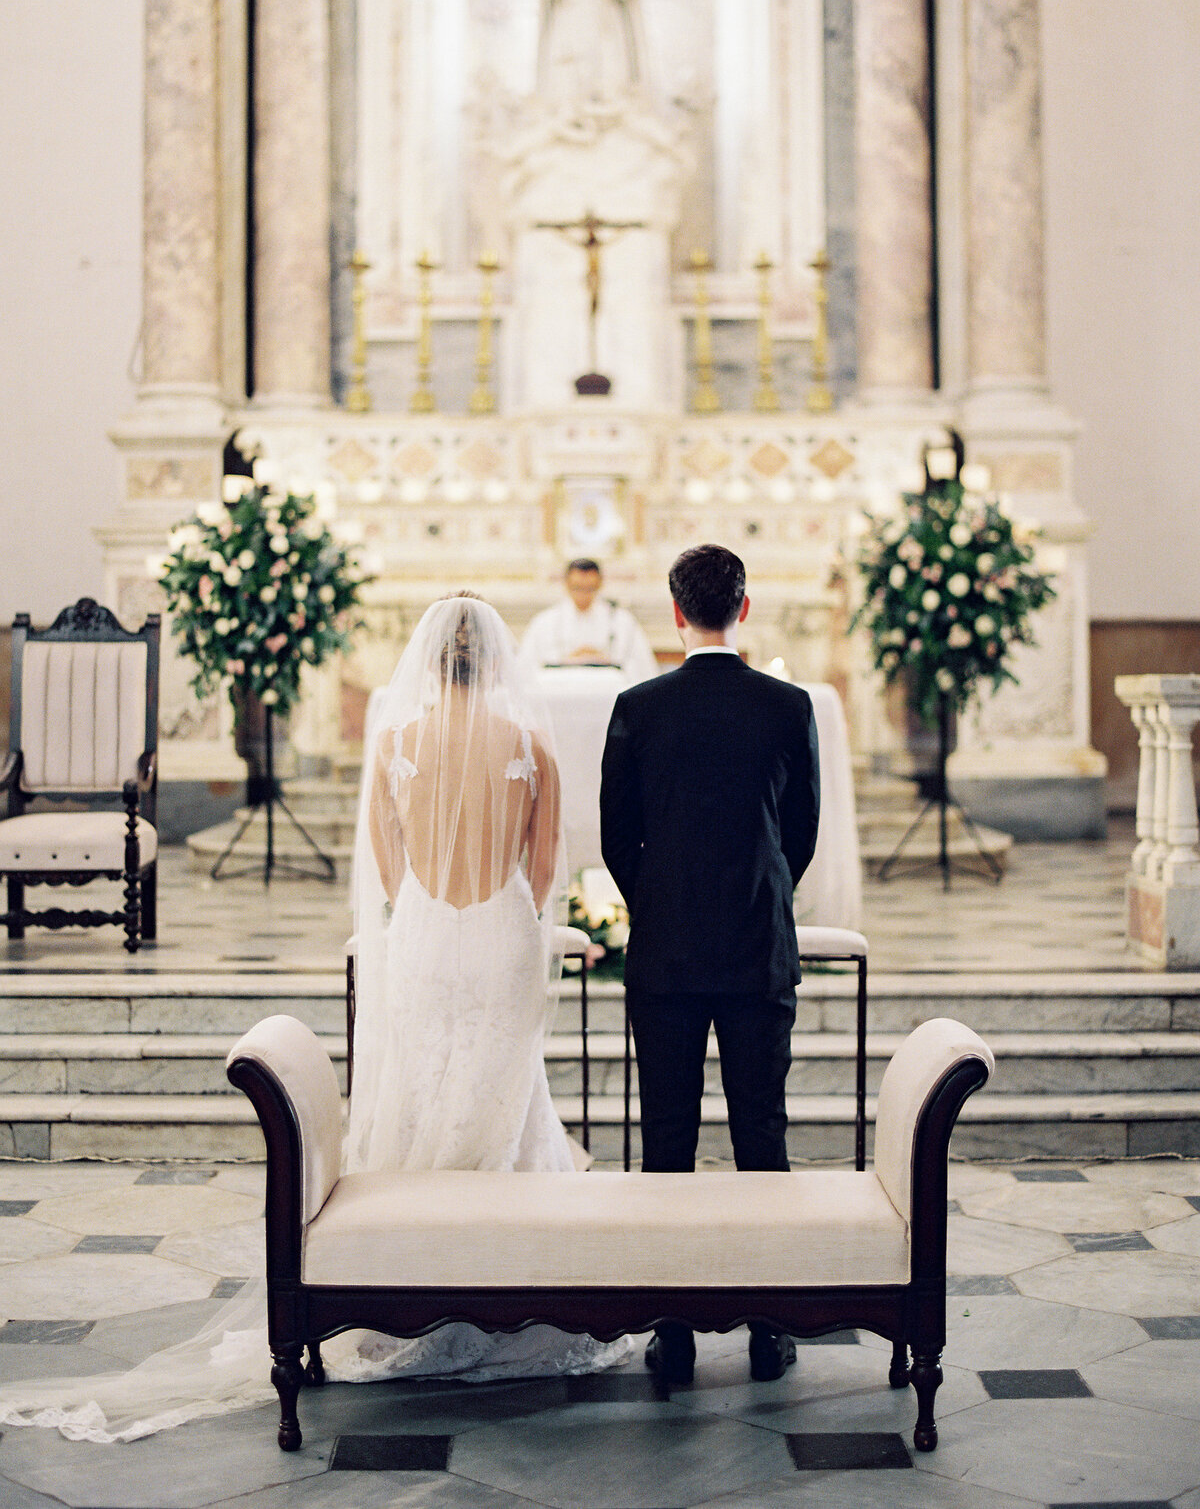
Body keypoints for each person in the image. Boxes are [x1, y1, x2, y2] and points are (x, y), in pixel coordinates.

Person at [0, 596, 626, 1441]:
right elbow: (544, 871)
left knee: (419, 1094)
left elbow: (386, 866)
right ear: (497, 663)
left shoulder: (396, 746)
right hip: (503, 943)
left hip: (425, 940)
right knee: (502, 1098)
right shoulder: (533, 750)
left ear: (433, 660)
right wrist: (510, 913)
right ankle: (512, 1282)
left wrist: (433, 913)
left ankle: (405, 1277)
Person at [599, 546, 820, 1389]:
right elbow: (799, 830)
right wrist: (759, 894)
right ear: (745, 607)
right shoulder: (788, 705)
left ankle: (675, 1337)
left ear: (675, 613)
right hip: (758, 942)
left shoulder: (638, 707)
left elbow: (618, 834)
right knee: (764, 1136)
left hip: (666, 952)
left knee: (668, 1147)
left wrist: (658, 900)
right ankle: (770, 1330)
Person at [518, 558, 659, 685]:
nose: (583, 595)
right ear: (566, 584)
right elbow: (526, 669)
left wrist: (602, 659)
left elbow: (643, 669)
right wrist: (570, 659)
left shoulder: (622, 621)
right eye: (577, 588)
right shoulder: (544, 622)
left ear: (600, 584)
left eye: (590, 589)